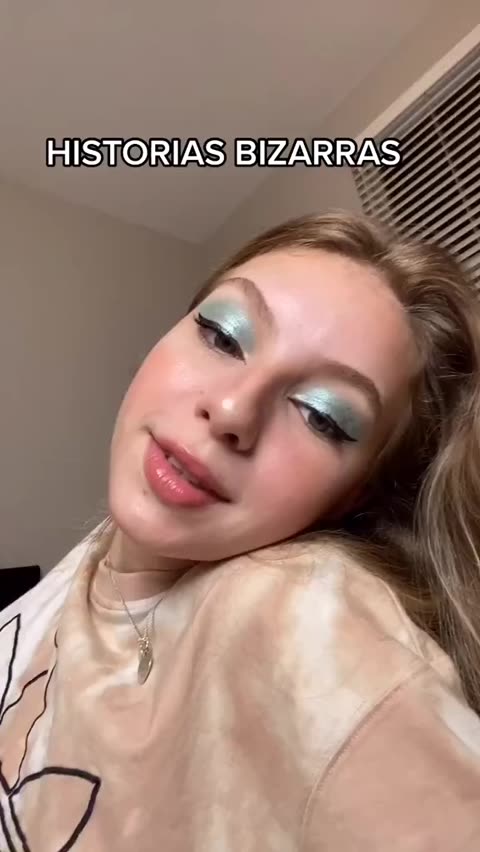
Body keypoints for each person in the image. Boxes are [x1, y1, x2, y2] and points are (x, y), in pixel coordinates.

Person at [1, 211, 480, 851]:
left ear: (356, 495)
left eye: (322, 416)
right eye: (224, 336)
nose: (232, 409)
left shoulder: (295, 617)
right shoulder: (104, 553)